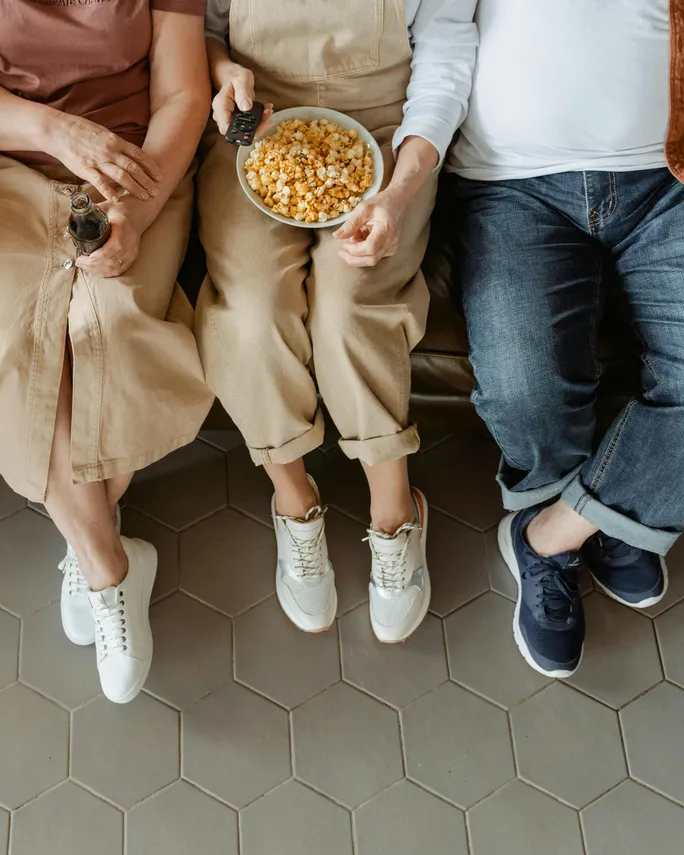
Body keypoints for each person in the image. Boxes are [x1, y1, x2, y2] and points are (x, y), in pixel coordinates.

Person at [448, 0, 684, 677]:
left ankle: (555, 530)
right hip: (507, 185)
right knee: (525, 386)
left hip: (679, 178)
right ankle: (615, 513)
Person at [0, 0, 213, 702]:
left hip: (137, 168)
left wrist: (138, 208)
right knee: (21, 342)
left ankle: (84, 532)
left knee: (109, 332)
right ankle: (107, 563)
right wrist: (56, 130)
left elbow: (184, 93)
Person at [196, 0, 477, 639]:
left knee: (350, 308)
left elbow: (445, 60)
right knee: (250, 314)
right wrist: (224, 72)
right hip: (257, 128)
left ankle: (393, 508)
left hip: (386, 130)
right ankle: (294, 498)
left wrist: (402, 190)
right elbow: (206, 28)